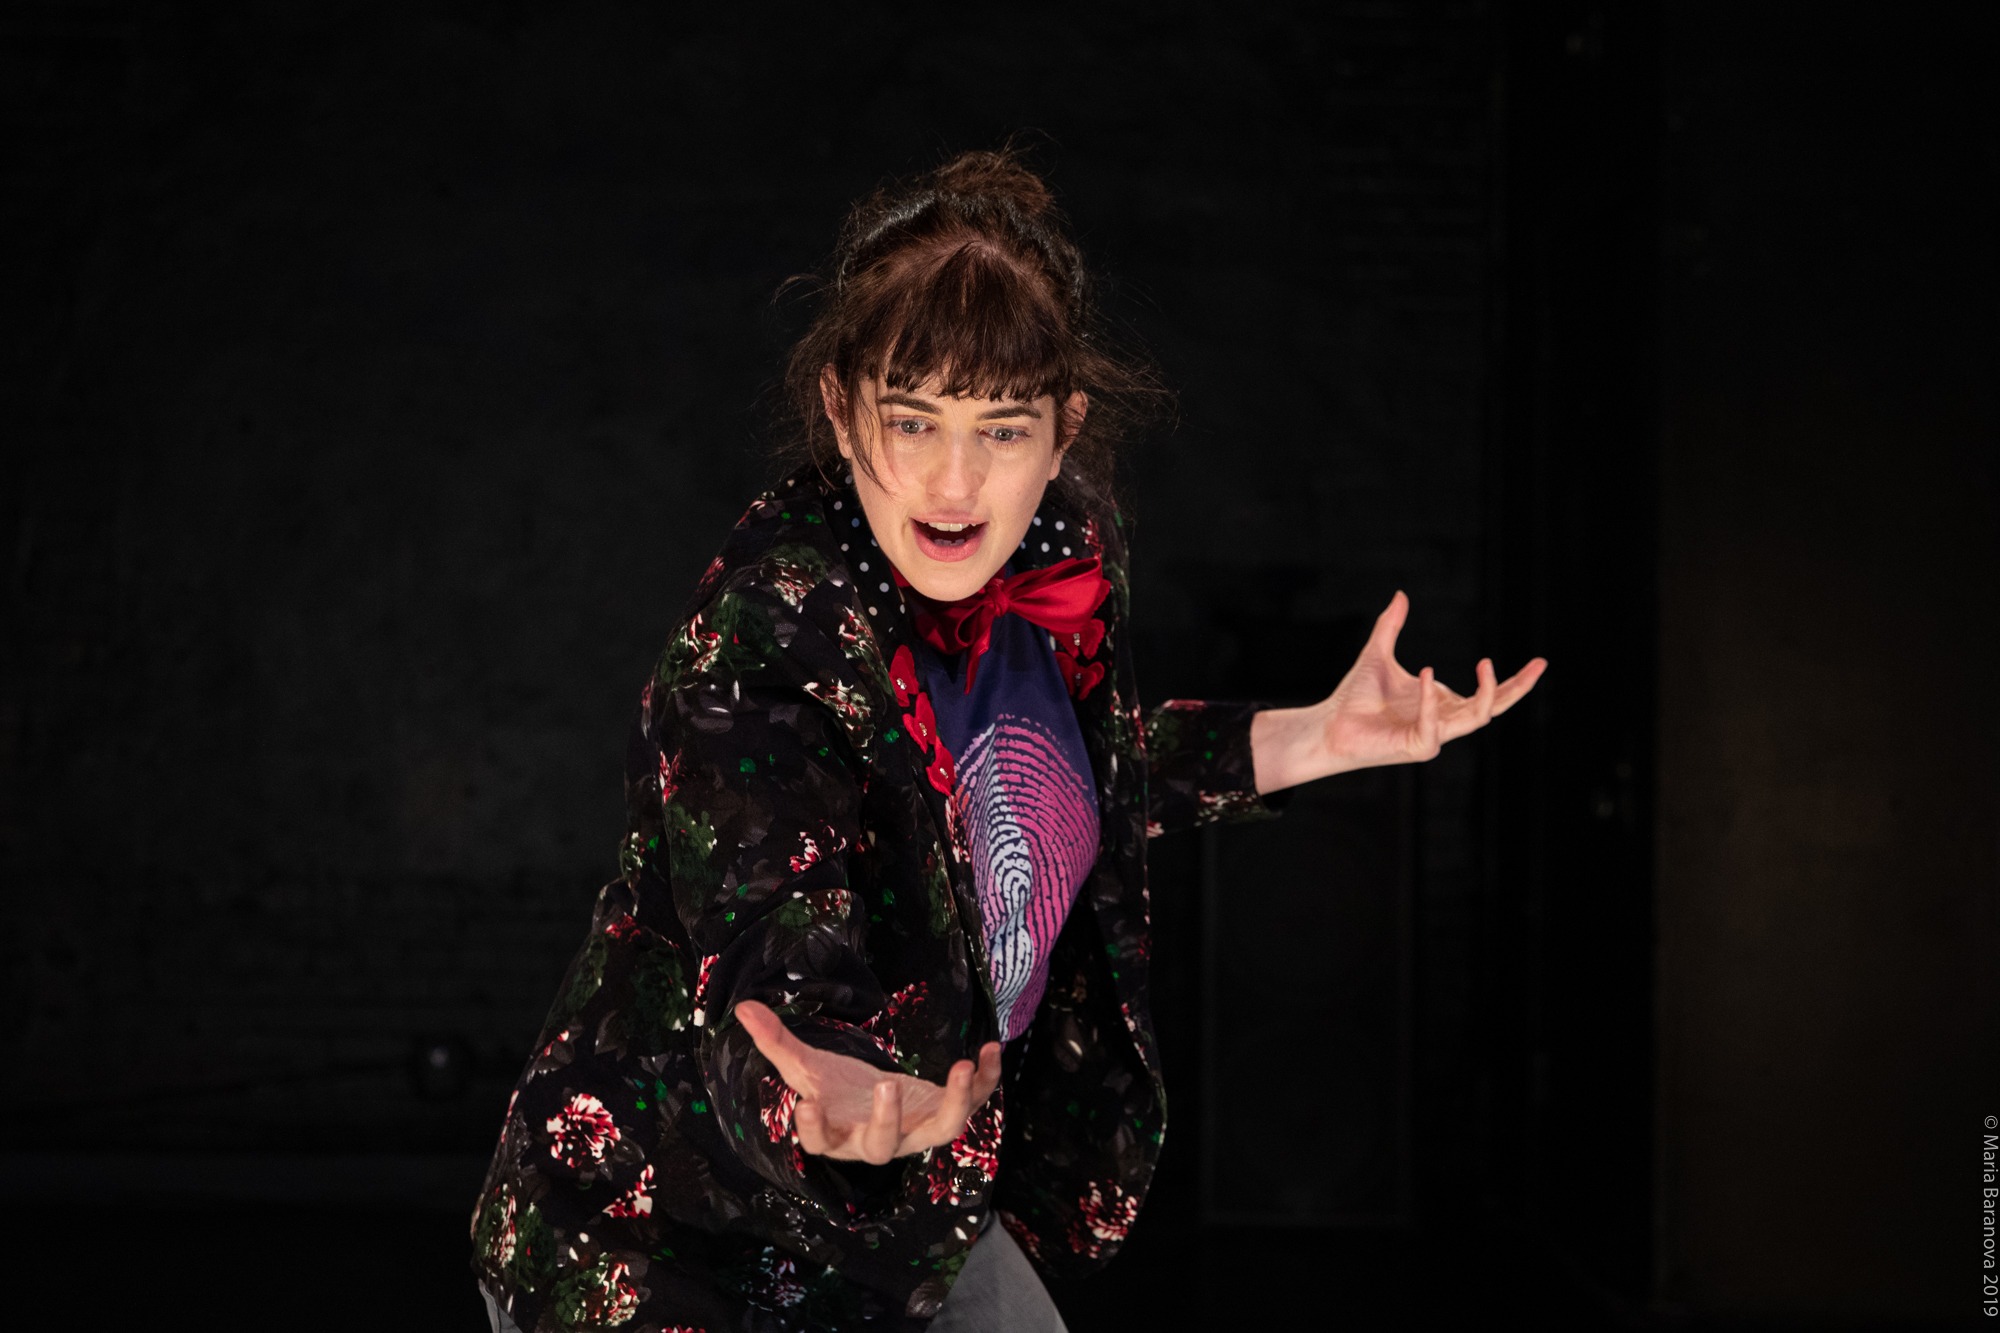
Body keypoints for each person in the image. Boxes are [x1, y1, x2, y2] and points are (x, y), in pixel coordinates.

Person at [468, 146, 1545, 1333]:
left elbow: (1035, 790)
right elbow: (764, 890)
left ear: (1062, 426)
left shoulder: (1056, 564)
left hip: (908, 1211)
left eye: (999, 429)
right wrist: (819, 1067)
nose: (950, 481)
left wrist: (1308, 738)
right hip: (674, 1224)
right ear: (838, 405)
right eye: (911, 418)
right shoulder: (767, 627)